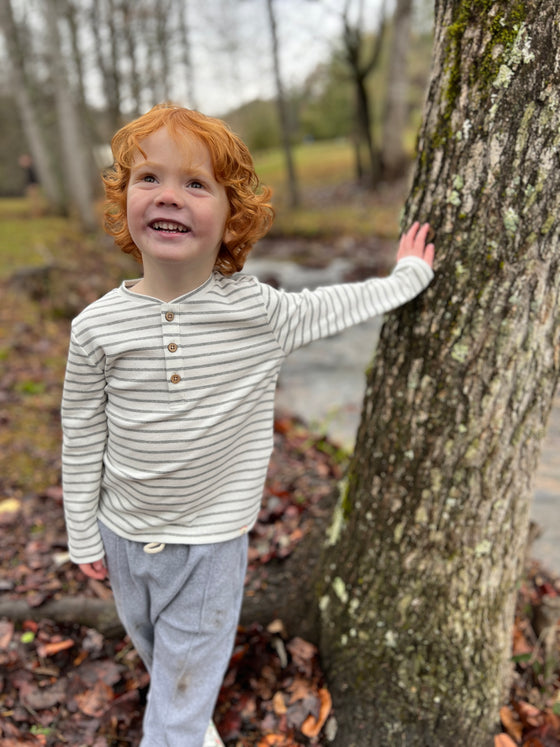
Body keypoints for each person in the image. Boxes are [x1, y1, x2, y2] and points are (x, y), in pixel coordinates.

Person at [61, 103, 435, 747]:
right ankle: (186, 718)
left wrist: (409, 275)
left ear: (232, 215)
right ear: (124, 199)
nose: (168, 196)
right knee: (157, 651)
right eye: (149, 179)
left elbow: (336, 303)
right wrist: (82, 534)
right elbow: (81, 432)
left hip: (209, 543)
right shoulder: (97, 326)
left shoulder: (257, 313)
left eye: (196, 183)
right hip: (122, 532)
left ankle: (178, 732)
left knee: (182, 684)